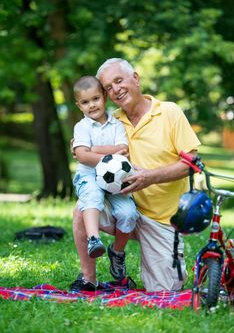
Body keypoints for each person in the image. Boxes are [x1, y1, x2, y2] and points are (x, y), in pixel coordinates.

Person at [70, 58, 201, 292]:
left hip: (162, 220)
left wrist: (149, 177)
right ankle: (88, 278)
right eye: (108, 87)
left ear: (136, 79)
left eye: (119, 81)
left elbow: (190, 165)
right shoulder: (111, 120)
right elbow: (84, 145)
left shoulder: (169, 112)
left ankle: (119, 255)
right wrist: (81, 149)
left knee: (165, 290)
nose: (116, 90)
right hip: (123, 205)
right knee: (84, 207)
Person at [72, 75, 139, 282]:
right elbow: (82, 157)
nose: (91, 105)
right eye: (85, 102)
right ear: (78, 105)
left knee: (129, 213)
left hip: (115, 180)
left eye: (95, 99)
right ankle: (94, 239)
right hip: (88, 177)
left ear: (104, 97)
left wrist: (93, 149)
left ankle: (117, 252)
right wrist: (110, 155)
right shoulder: (81, 127)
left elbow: (123, 150)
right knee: (92, 196)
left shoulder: (116, 125)